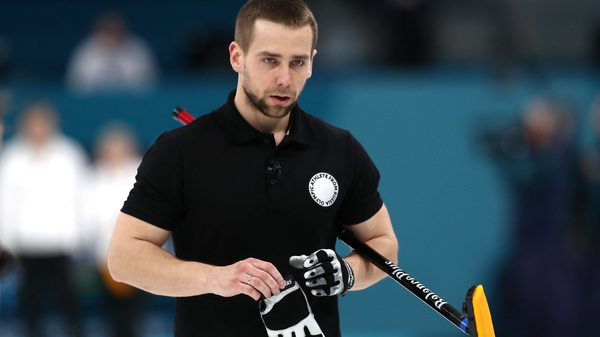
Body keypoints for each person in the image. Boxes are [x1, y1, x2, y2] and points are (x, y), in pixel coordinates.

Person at [108, 1, 398, 336]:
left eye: (297, 62)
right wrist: (214, 278)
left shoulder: (340, 150)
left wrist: (349, 273)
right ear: (237, 56)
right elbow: (124, 257)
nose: (284, 79)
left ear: (312, 64)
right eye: (270, 60)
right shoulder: (181, 151)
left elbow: (382, 242)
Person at [0, 101, 87, 337]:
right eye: (32, 123)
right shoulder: (11, 157)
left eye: (42, 122)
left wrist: (78, 236)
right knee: (29, 302)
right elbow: (5, 201)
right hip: (25, 242)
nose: (37, 128)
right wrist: (7, 241)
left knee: (68, 300)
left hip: (61, 240)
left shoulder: (70, 154)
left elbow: (80, 198)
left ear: (51, 124)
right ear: (24, 125)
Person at [85, 123, 143, 337]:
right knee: (111, 310)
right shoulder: (94, 177)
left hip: (139, 252)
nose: (115, 154)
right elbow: (89, 214)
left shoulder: (142, 170)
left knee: (134, 311)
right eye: (110, 150)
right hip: (105, 253)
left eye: (120, 149)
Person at [65, 10, 159, 94]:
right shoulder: (84, 51)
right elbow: (75, 86)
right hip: (92, 106)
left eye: (115, 32)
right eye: (108, 32)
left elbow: (149, 83)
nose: (111, 37)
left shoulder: (138, 49)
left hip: (133, 105)